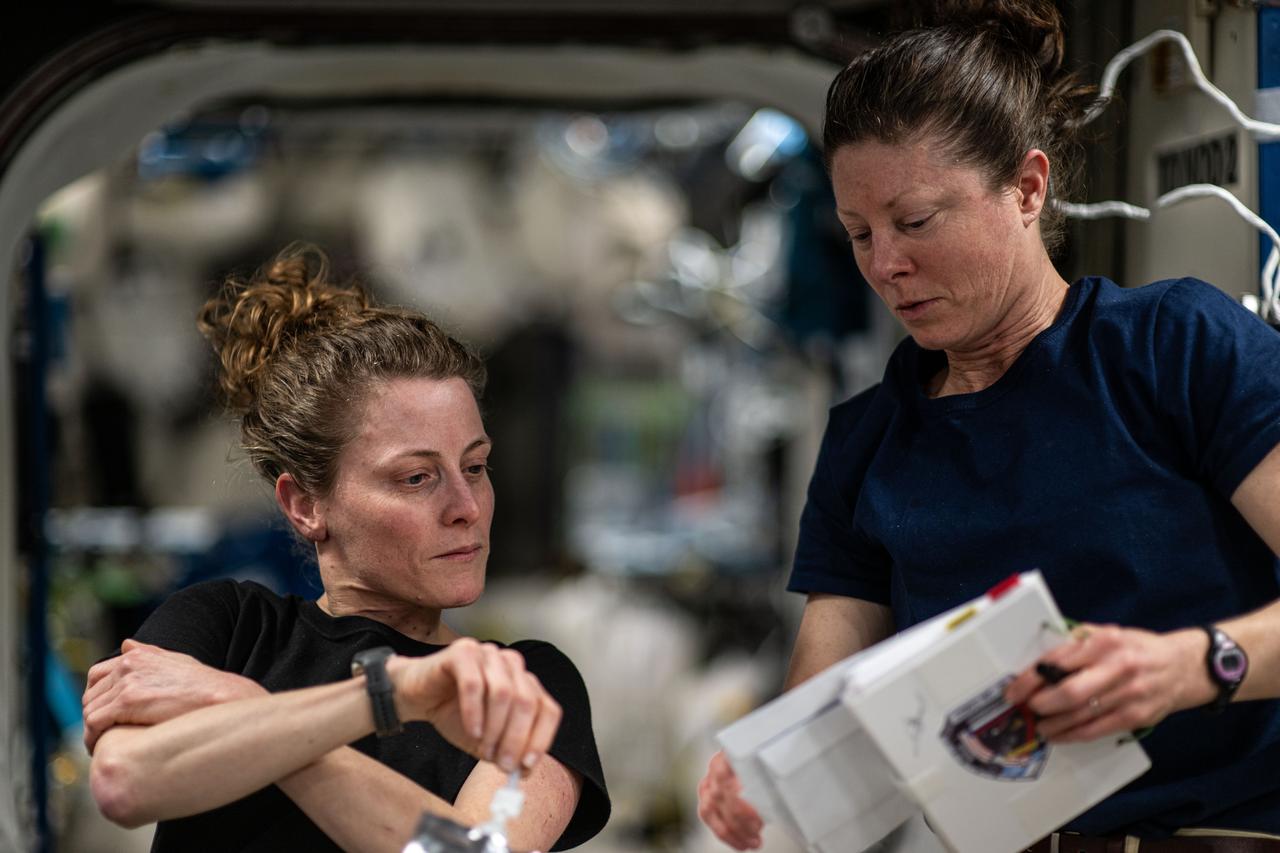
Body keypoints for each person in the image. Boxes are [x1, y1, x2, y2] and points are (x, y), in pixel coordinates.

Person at [697, 1, 1280, 850]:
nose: (887, 265)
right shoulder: (869, 442)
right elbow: (817, 721)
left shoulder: (1174, 349)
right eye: (858, 233)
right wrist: (765, 776)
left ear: (1027, 188)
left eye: (916, 222)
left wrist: (1192, 665)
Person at [81, 245, 610, 852]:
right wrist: (389, 695)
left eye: (475, 467)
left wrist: (243, 707)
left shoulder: (521, 684)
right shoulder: (226, 627)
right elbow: (124, 781)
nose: (466, 506)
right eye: (417, 477)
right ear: (306, 505)